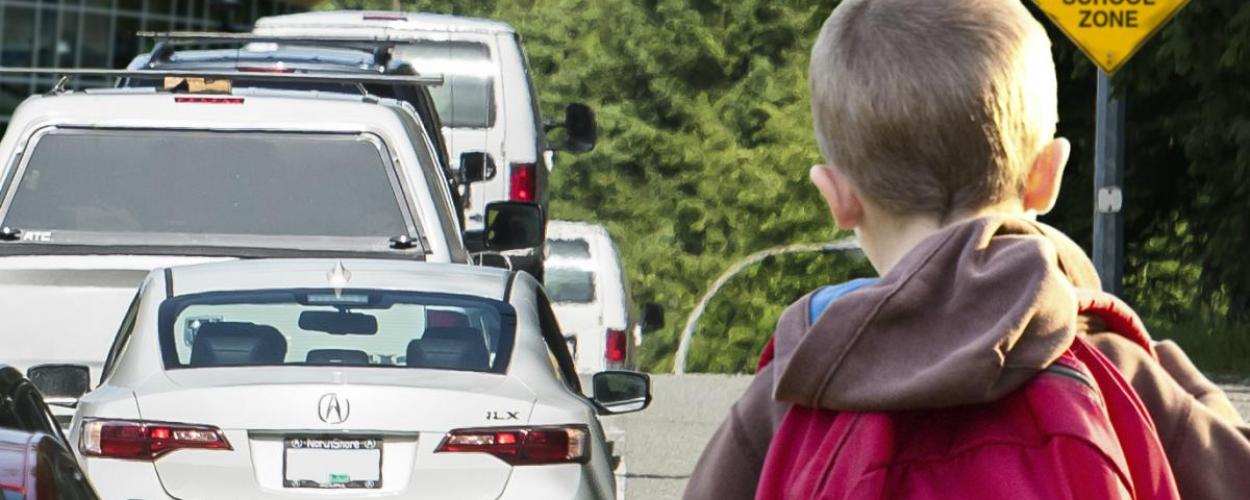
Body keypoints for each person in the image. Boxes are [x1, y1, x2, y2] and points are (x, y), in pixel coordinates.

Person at [683, 0, 1250, 499]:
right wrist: (1168, 368)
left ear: (837, 197)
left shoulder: (798, 383)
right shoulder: (1116, 370)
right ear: (1046, 176)